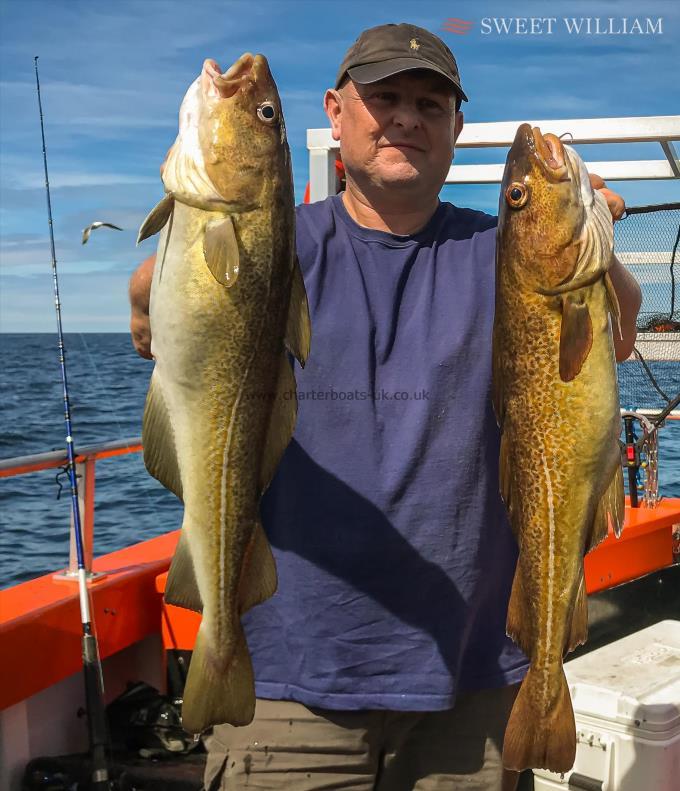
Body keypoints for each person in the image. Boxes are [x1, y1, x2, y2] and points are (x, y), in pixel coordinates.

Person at [129, 23, 641, 791]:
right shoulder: (277, 240)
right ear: (335, 114)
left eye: (430, 104)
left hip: (471, 679)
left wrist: (591, 236)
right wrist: (146, 296)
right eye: (385, 98)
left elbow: (614, 327)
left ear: (457, 130)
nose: (406, 117)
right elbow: (165, 295)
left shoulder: (503, 254)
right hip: (288, 678)